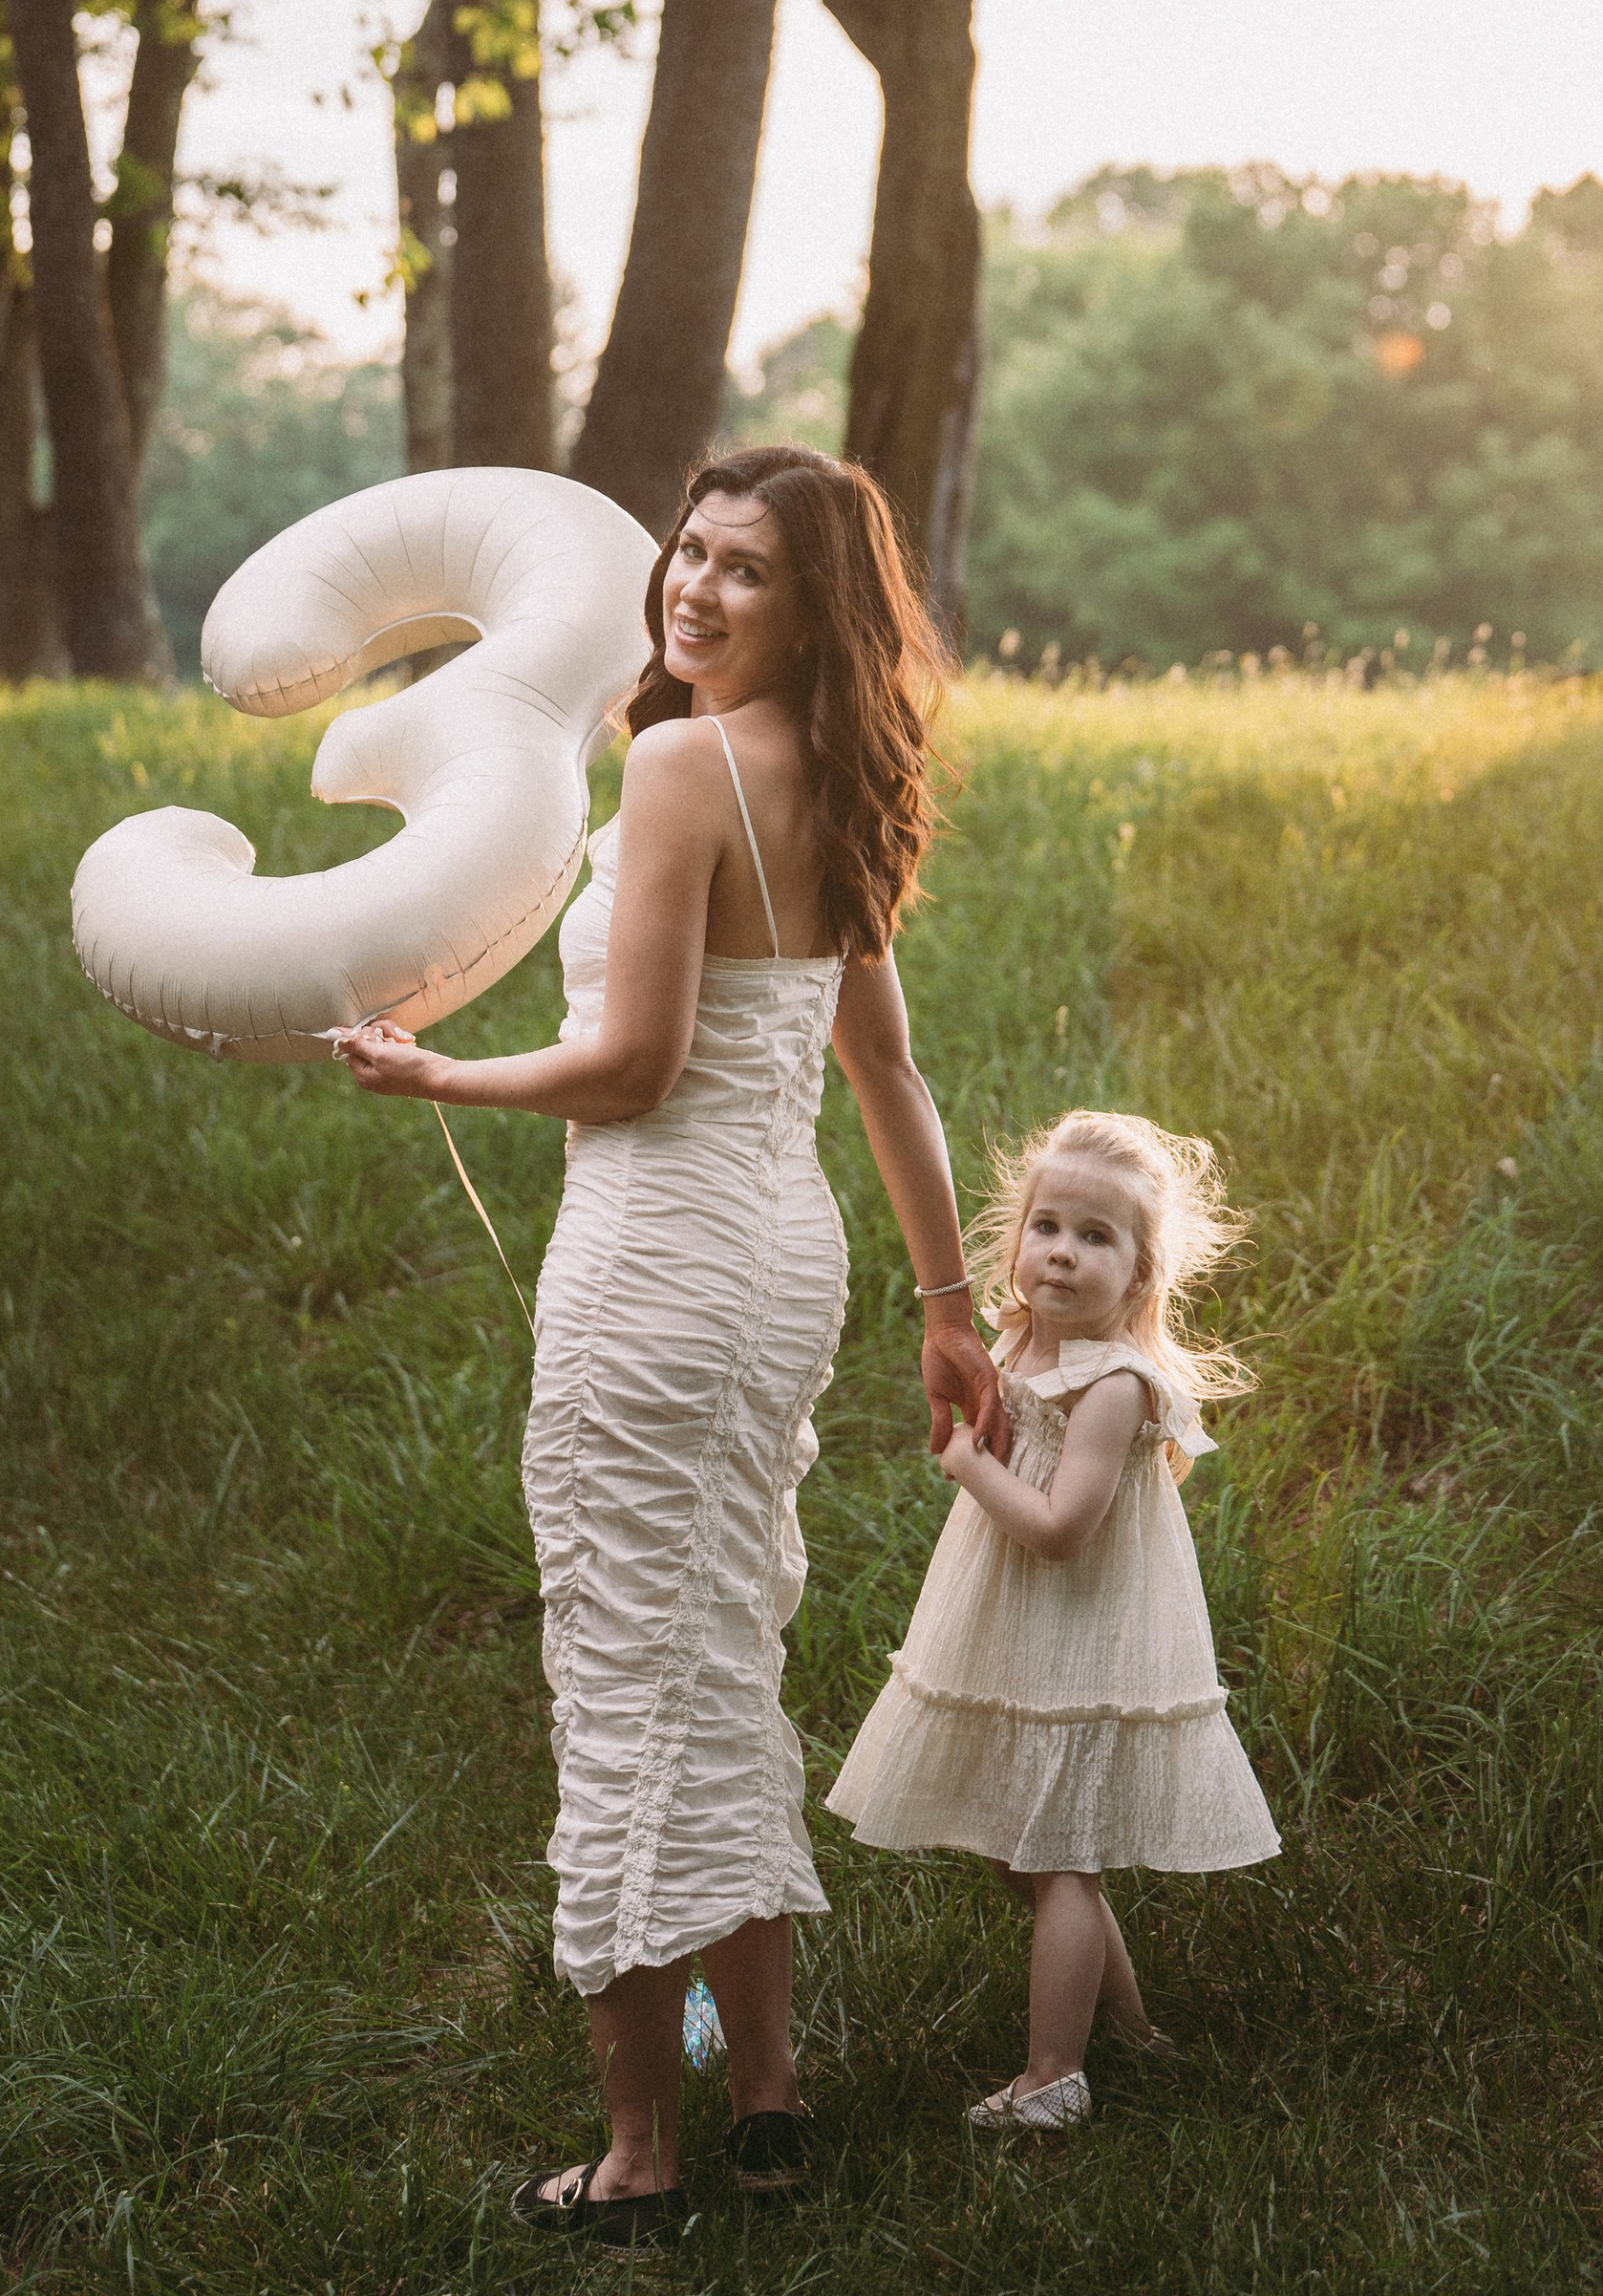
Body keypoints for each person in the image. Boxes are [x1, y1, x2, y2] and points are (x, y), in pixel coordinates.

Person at [342, 445, 1004, 2251]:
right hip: (780, 1268)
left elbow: (634, 1069)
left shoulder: (684, 765)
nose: (696, 593)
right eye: (689, 556)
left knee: (628, 1685)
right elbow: (886, 1073)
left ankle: (639, 2162)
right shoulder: (841, 774)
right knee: (720, 1657)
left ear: (817, 608)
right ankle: (766, 2099)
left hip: (654, 1275)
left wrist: (436, 1075)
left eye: (747, 573)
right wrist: (950, 1308)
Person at [826, 1107, 1280, 2133]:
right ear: (1016, 1236)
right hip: (1013, 1622)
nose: (1062, 1255)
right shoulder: (1018, 1341)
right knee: (1018, 1851)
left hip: (1079, 1623)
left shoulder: (1112, 1382)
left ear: (1140, 1273)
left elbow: (1062, 1529)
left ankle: (1050, 2077)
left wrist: (968, 1465)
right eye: (1048, 1227)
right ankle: (1129, 2032)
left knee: (1061, 1849)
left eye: (1096, 1237)